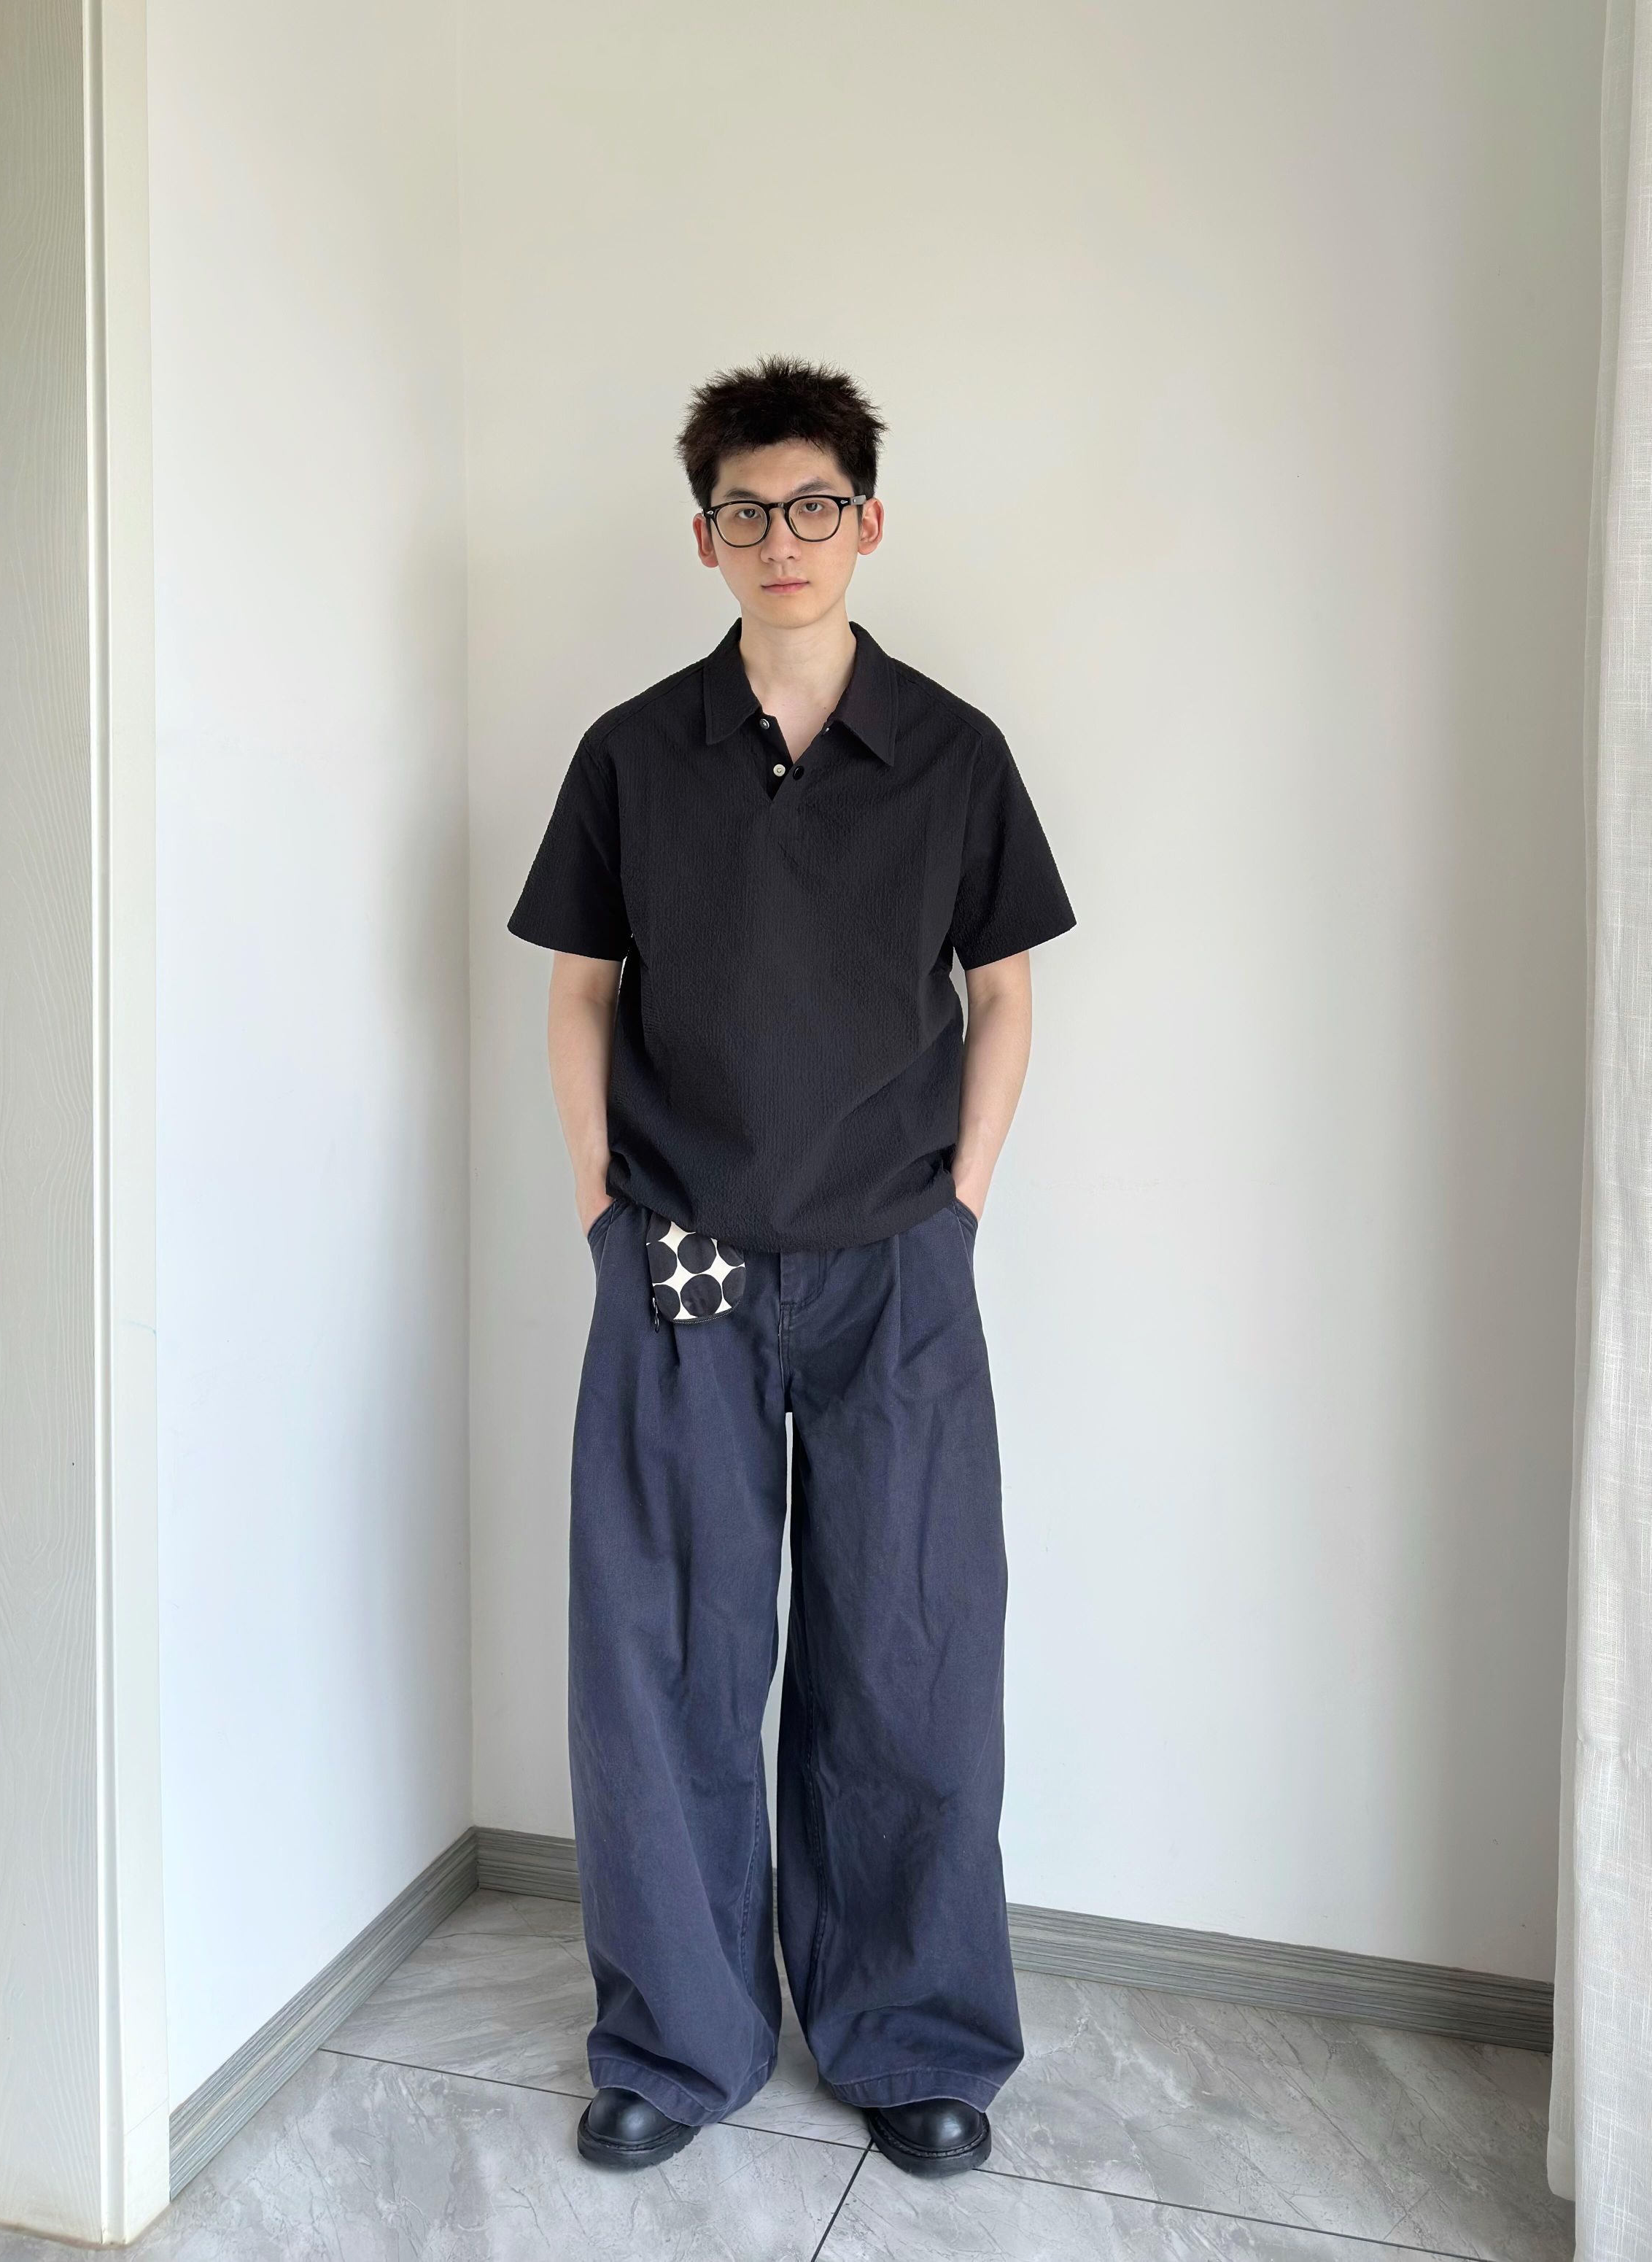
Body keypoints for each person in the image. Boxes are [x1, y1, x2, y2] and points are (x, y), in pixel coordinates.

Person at [507, 355, 1076, 2179]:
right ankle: (676, 2043)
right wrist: (599, 1205)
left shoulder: (953, 755)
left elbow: (1003, 993)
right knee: (663, 1656)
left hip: (894, 1268)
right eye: (744, 511)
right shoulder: (631, 754)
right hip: (678, 1261)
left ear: (867, 522)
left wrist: (957, 1201)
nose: (781, 537)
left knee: (906, 1652)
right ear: (704, 539)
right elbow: (580, 988)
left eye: (813, 504)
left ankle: (913, 2037)